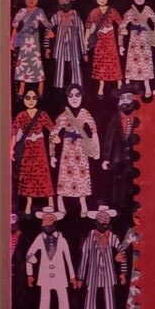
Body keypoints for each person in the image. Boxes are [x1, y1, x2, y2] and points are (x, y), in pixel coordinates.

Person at [50, 84, 99, 218]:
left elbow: (94, 131)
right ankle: (60, 202)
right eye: (71, 95)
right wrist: (52, 155)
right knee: (64, 176)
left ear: (82, 96)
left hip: (81, 149)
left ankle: (83, 204)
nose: (74, 98)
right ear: (67, 97)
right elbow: (53, 134)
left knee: (82, 175)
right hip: (67, 150)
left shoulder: (85, 113)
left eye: (77, 95)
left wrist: (96, 150)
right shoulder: (64, 115)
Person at [25, 205, 76, 309]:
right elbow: (29, 254)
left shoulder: (62, 239)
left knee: (63, 297)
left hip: (60, 274)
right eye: (45, 219)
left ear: (55, 221)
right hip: (45, 274)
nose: (47, 221)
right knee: (44, 298)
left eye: (50, 219)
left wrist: (72, 277)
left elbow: (68, 259)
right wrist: (30, 274)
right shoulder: (39, 238)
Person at [10, 88, 54, 213]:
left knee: (43, 174)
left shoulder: (41, 114)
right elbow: (14, 132)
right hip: (27, 148)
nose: (31, 101)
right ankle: (28, 204)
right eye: (28, 98)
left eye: (34, 98)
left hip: (39, 148)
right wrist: (11, 148)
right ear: (24, 99)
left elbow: (52, 128)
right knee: (28, 176)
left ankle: (51, 202)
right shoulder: (21, 116)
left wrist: (54, 140)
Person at [77, 206, 123, 309]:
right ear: (96, 220)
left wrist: (120, 263)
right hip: (93, 272)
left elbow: (121, 250)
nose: (103, 220)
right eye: (101, 217)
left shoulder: (112, 236)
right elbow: (84, 257)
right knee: (90, 294)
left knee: (109, 295)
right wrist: (80, 277)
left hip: (108, 271)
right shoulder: (90, 237)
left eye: (106, 217)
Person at [100, 91, 139, 209]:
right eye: (122, 97)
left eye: (129, 97)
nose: (125, 100)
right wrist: (106, 158)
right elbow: (109, 137)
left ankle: (131, 206)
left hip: (134, 156)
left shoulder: (138, 116)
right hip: (118, 157)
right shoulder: (116, 118)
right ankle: (117, 206)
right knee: (118, 182)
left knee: (133, 180)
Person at [120, 0, 155, 98]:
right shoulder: (130, 11)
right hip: (133, 41)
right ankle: (127, 85)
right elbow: (121, 26)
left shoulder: (148, 10)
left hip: (145, 40)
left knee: (145, 62)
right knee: (131, 62)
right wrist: (121, 45)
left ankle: (147, 85)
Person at [11, 0, 50, 95]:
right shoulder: (22, 11)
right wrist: (12, 40)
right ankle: (22, 86)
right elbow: (15, 26)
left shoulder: (39, 11)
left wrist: (50, 31)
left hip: (34, 43)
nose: (31, 0)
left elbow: (46, 23)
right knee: (23, 62)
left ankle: (40, 88)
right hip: (24, 41)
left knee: (36, 62)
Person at [85, 0, 123, 95]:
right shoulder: (94, 12)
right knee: (100, 62)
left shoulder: (112, 10)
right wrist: (86, 42)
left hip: (110, 39)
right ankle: (101, 86)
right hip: (99, 39)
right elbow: (88, 27)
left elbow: (121, 23)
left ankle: (119, 83)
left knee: (114, 61)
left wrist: (122, 32)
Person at [48, 0, 86, 90]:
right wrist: (48, 45)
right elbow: (48, 27)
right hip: (60, 47)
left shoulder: (75, 16)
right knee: (59, 69)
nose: (64, 1)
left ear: (70, 1)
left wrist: (84, 52)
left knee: (75, 67)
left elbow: (81, 33)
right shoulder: (57, 16)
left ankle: (77, 87)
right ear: (59, 1)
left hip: (73, 48)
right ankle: (58, 89)